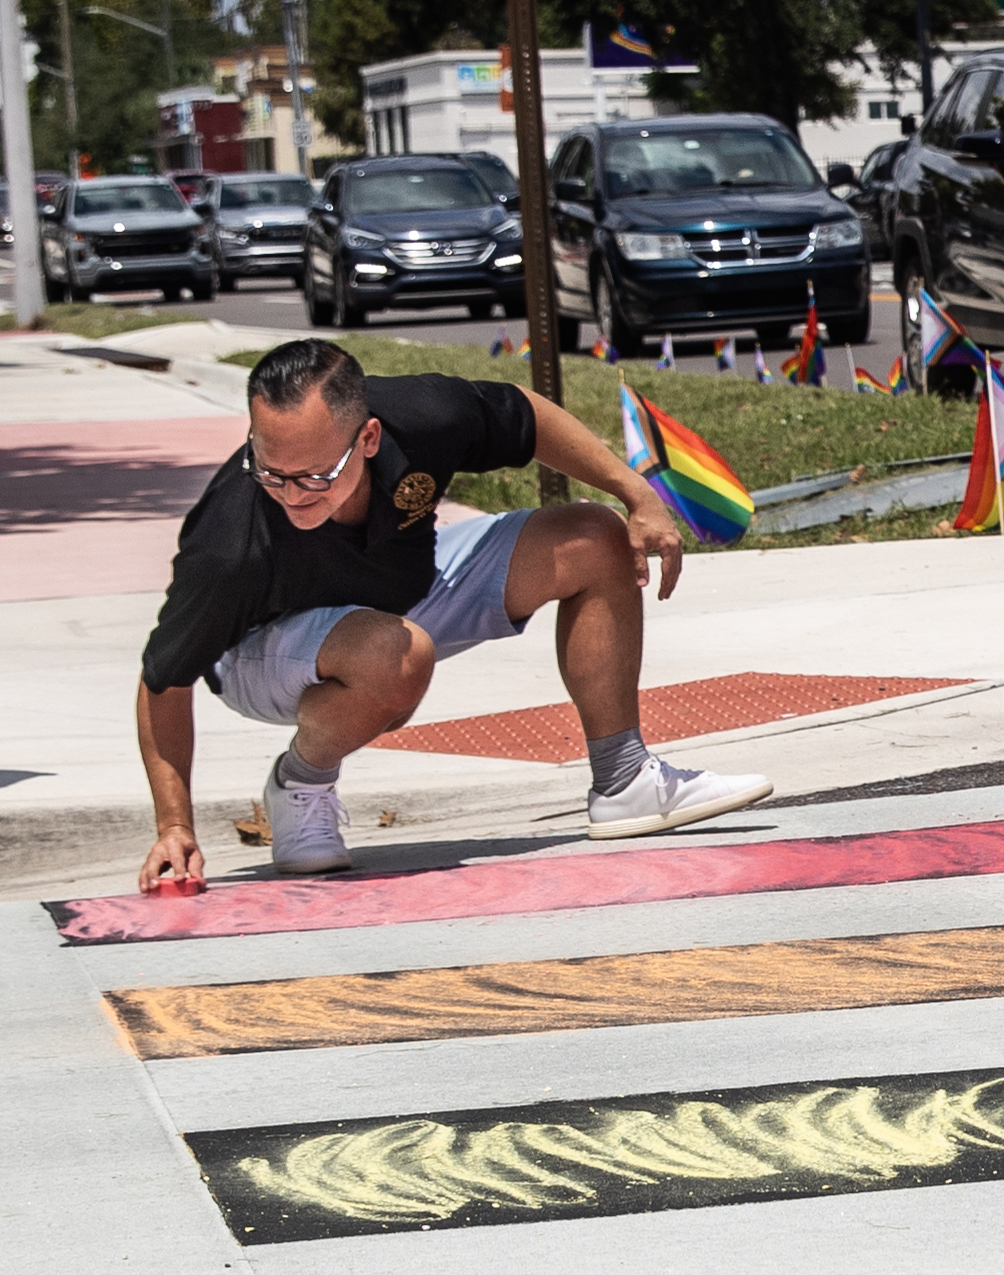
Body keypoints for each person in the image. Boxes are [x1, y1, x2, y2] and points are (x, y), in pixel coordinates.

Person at [136, 339, 771, 885]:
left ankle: (624, 779)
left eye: (317, 475)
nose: (292, 495)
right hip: (261, 651)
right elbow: (162, 679)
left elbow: (528, 415)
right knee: (396, 653)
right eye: (272, 471)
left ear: (369, 437)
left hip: (404, 590)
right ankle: (302, 784)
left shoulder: (424, 414)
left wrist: (637, 494)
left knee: (594, 537)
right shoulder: (228, 546)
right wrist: (174, 826)